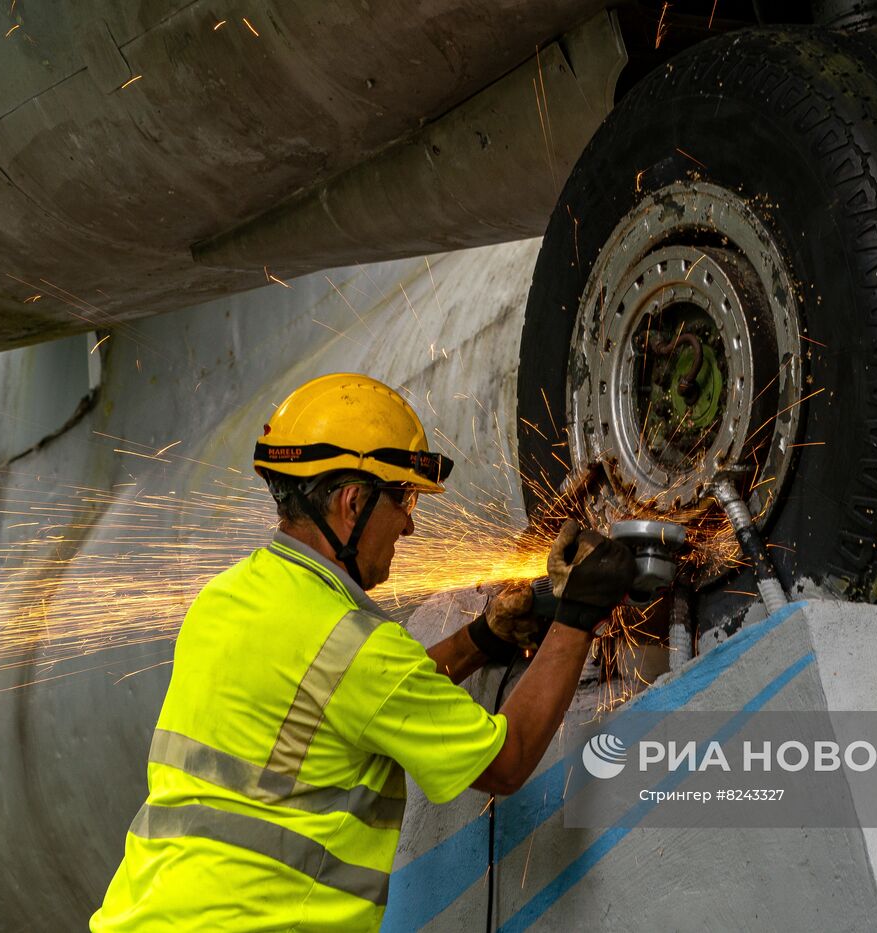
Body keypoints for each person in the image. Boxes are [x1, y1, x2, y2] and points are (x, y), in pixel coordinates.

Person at [91, 372, 635, 931]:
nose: (410, 523)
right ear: (353, 503)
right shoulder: (354, 646)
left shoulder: (226, 599)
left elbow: (355, 698)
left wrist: (482, 640)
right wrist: (577, 617)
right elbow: (506, 759)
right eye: (401, 498)